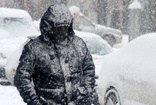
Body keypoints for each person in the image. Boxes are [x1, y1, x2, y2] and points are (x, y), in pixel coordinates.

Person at [14, 4, 98, 105]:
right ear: (48, 26)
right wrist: (35, 101)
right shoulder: (34, 47)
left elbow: (89, 69)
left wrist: (85, 91)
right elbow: (21, 77)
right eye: (58, 27)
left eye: (65, 27)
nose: (62, 31)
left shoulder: (78, 44)